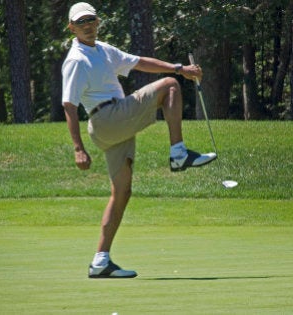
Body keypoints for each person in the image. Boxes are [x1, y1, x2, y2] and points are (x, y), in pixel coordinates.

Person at [62, 2, 216, 278]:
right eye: (81, 22)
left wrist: (178, 67)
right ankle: (178, 153)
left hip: (115, 124)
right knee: (169, 86)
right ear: (71, 27)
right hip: (106, 118)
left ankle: (100, 260)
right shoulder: (76, 60)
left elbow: (139, 62)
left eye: (91, 20)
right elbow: (69, 106)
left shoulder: (104, 50)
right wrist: (78, 149)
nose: (87, 25)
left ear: (98, 22)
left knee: (122, 192)